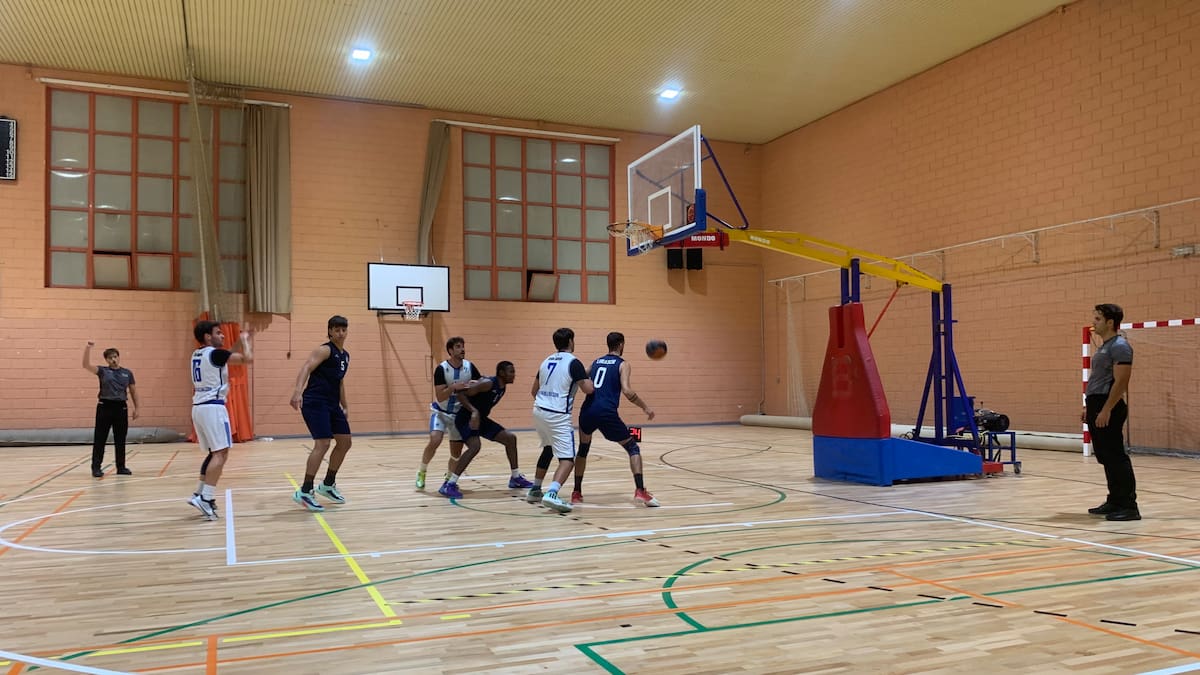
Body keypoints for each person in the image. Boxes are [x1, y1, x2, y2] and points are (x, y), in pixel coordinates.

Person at [575, 332, 659, 506]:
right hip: (606, 412)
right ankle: (640, 491)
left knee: (583, 450)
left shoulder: (596, 362)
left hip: (587, 411)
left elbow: (580, 378)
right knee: (632, 447)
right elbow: (627, 391)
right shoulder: (623, 364)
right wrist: (646, 407)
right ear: (621, 345)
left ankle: (576, 493)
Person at [436, 361, 532, 499]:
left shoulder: (502, 386)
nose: (514, 374)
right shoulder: (487, 383)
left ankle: (515, 478)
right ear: (501, 373)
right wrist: (473, 411)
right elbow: (461, 394)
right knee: (475, 446)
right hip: (466, 418)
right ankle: (449, 484)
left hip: (480, 419)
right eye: (511, 371)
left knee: (510, 438)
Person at [525, 328, 594, 513]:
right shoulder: (574, 362)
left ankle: (535, 490)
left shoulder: (546, 360)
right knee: (567, 460)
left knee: (548, 449)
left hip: (539, 410)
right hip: (557, 414)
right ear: (571, 341)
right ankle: (552, 493)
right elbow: (588, 389)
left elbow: (534, 391)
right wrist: (590, 379)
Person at [188, 321, 252, 520]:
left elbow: (224, 356)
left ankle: (199, 492)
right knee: (221, 454)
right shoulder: (215, 354)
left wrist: (235, 345)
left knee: (213, 454)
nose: (223, 336)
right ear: (208, 336)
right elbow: (246, 359)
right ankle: (206, 498)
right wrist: (245, 341)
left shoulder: (198, 353)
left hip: (199, 407)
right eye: (219, 333)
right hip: (213, 408)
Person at [290, 315, 352, 512]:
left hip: (333, 404)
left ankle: (327, 484)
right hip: (315, 402)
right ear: (330, 331)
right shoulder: (325, 350)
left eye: (344, 330)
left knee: (345, 442)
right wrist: (297, 392)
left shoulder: (345, 356)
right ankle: (305, 491)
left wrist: (345, 405)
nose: (341, 333)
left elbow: (340, 381)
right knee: (323, 443)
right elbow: (306, 367)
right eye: (337, 330)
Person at [1084, 303, 1139, 521]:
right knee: (1106, 456)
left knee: (1116, 456)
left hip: (1109, 406)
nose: (1093, 323)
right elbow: (1098, 379)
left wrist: (1107, 409)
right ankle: (1115, 500)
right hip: (1097, 404)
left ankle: (1128, 506)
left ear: (1109, 322)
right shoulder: (1106, 346)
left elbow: (1122, 381)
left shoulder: (1120, 346)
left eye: (1097, 319)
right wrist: (1089, 407)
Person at [415, 337, 481, 490]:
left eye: (463, 346)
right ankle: (422, 471)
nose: (462, 349)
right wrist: (453, 387)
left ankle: (449, 477)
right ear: (450, 350)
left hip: (458, 416)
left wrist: (475, 385)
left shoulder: (470, 367)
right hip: (441, 412)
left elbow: (481, 383)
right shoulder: (441, 369)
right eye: (458, 347)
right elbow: (440, 396)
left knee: (456, 453)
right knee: (434, 439)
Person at [82, 342, 139, 477]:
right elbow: (85, 365)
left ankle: (121, 466)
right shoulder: (103, 371)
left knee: (121, 439)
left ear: (118, 357)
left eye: (115, 357)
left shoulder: (127, 373)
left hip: (121, 408)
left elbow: (133, 391)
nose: (113, 359)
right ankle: (96, 467)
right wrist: (88, 348)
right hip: (105, 407)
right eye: (110, 358)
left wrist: (137, 408)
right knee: (100, 438)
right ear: (106, 360)